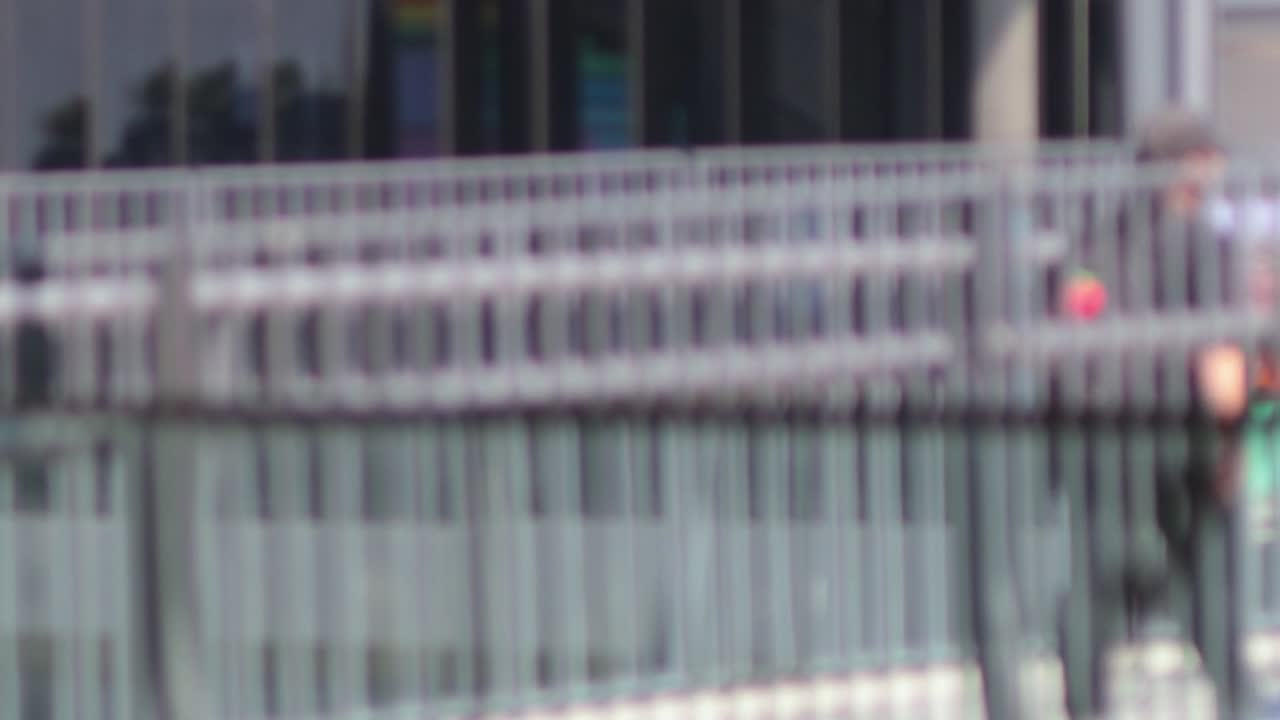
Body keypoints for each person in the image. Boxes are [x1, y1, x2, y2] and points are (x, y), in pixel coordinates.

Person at [1052, 107, 1255, 718]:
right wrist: (1230, 444)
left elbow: (1071, 331)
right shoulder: (1206, 247)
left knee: (1096, 586)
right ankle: (1238, 701)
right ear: (1190, 166)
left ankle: (1084, 707)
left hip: (1103, 436)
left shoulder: (1088, 245)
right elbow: (1220, 363)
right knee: (1206, 580)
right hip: (1180, 435)